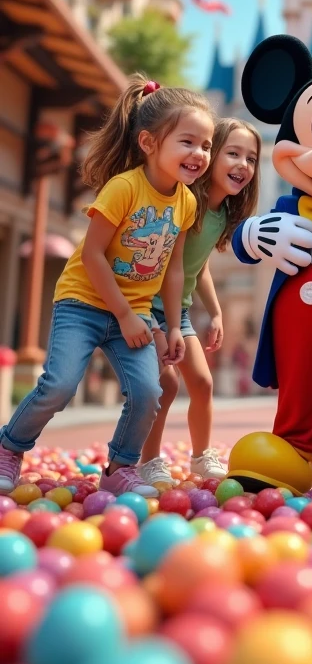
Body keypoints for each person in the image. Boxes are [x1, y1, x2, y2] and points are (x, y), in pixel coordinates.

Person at [0, 77, 214, 497]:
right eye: (188, 142)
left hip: (134, 313)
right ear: (150, 143)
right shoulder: (124, 188)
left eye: (206, 145)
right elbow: (93, 255)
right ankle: (8, 448)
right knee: (59, 386)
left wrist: (172, 326)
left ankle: (119, 466)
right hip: (83, 303)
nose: (199, 154)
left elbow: (172, 271)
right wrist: (123, 314)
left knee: (150, 391)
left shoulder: (187, 203)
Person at [139, 118, 261, 486]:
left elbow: (198, 263)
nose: (243, 164)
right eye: (233, 153)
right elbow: (172, 266)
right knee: (166, 384)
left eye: (252, 159)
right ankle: (148, 460)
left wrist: (217, 310)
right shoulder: (185, 202)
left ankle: (202, 456)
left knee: (203, 384)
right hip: (147, 305)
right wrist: (170, 323)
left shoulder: (222, 214)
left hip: (180, 309)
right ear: (211, 155)